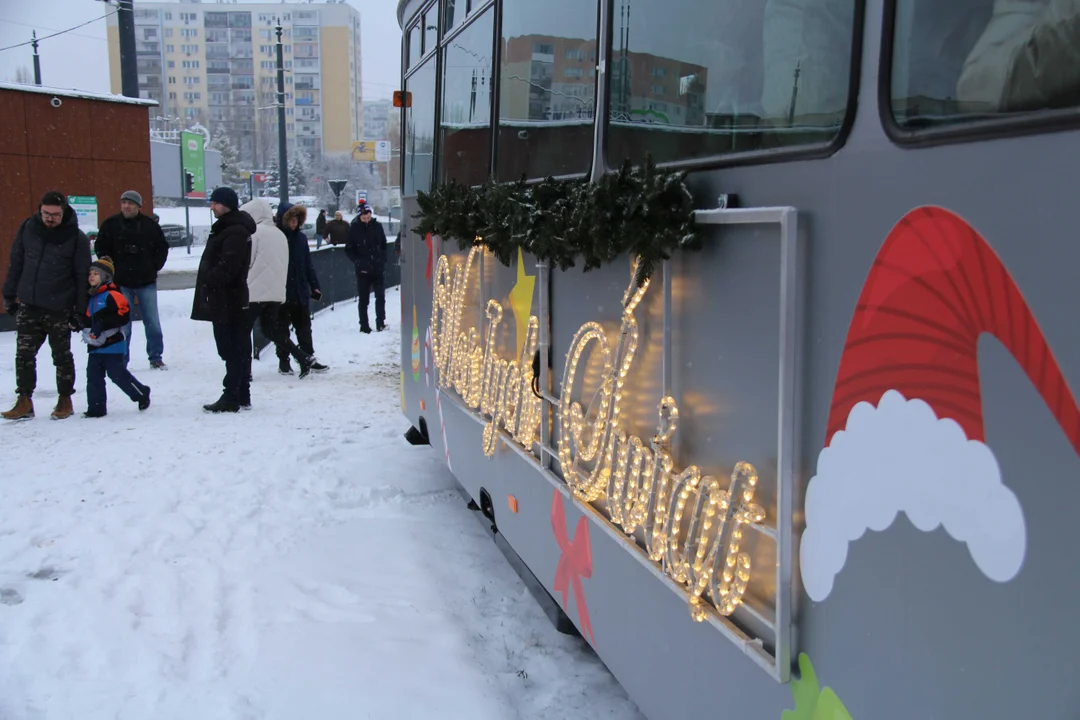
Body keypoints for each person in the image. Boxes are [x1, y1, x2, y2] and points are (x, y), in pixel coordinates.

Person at [1, 191, 92, 421]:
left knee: (61, 356)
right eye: (45, 213)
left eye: (55, 214)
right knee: (23, 354)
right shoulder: (28, 228)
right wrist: (9, 294)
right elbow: (17, 261)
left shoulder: (76, 238)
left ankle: (65, 399)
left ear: (64, 212)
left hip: (59, 307)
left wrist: (80, 311)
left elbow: (82, 276)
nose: (49, 218)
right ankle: (24, 400)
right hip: (29, 304)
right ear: (40, 210)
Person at [239, 198, 316, 393]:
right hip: (276, 293)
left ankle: (245, 371)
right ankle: (302, 357)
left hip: (255, 291)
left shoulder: (254, 234)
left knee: (243, 330)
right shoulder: (279, 235)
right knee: (272, 330)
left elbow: (246, 262)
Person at [191, 187, 255, 413]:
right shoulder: (229, 228)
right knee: (233, 347)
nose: (212, 207)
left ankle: (231, 396)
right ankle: (241, 392)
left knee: (231, 348)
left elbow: (228, 266)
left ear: (226, 204)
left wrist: (210, 278)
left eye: (215, 203)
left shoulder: (234, 231)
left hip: (229, 298)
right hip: (228, 297)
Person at [93, 190, 169, 369]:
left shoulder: (150, 226)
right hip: (121, 282)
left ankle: (155, 356)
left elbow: (162, 248)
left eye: (131, 203)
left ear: (138, 206)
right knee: (123, 324)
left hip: (146, 281)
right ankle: (122, 358)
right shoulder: (111, 225)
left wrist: (154, 266)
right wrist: (109, 267)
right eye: (124, 203)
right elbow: (101, 247)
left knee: (152, 323)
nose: (127, 206)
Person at [77, 256, 151, 418]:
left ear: (105, 277)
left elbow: (122, 316)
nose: (91, 276)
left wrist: (101, 323)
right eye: (90, 273)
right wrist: (78, 323)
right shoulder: (90, 297)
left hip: (113, 344)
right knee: (93, 377)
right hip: (95, 345)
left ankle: (141, 392)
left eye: (96, 273)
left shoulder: (114, 295)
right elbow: (87, 319)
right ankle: (96, 408)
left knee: (118, 375)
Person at [275, 203, 329, 375]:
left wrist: (315, 286)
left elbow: (308, 265)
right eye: (290, 220)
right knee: (282, 327)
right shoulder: (277, 238)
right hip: (282, 292)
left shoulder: (301, 239)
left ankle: (308, 357)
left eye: (296, 220)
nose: (293, 223)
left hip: (300, 290)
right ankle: (284, 361)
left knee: (304, 327)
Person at [345, 201, 388, 334]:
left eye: (368, 214)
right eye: (363, 215)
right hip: (363, 271)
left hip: (377, 268)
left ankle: (380, 322)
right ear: (359, 216)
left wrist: (382, 260)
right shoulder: (354, 228)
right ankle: (364, 325)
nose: (366, 217)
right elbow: (349, 249)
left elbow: (383, 244)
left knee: (380, 297)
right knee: (364, 300)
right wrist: (358, 262)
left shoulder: (377, 226)